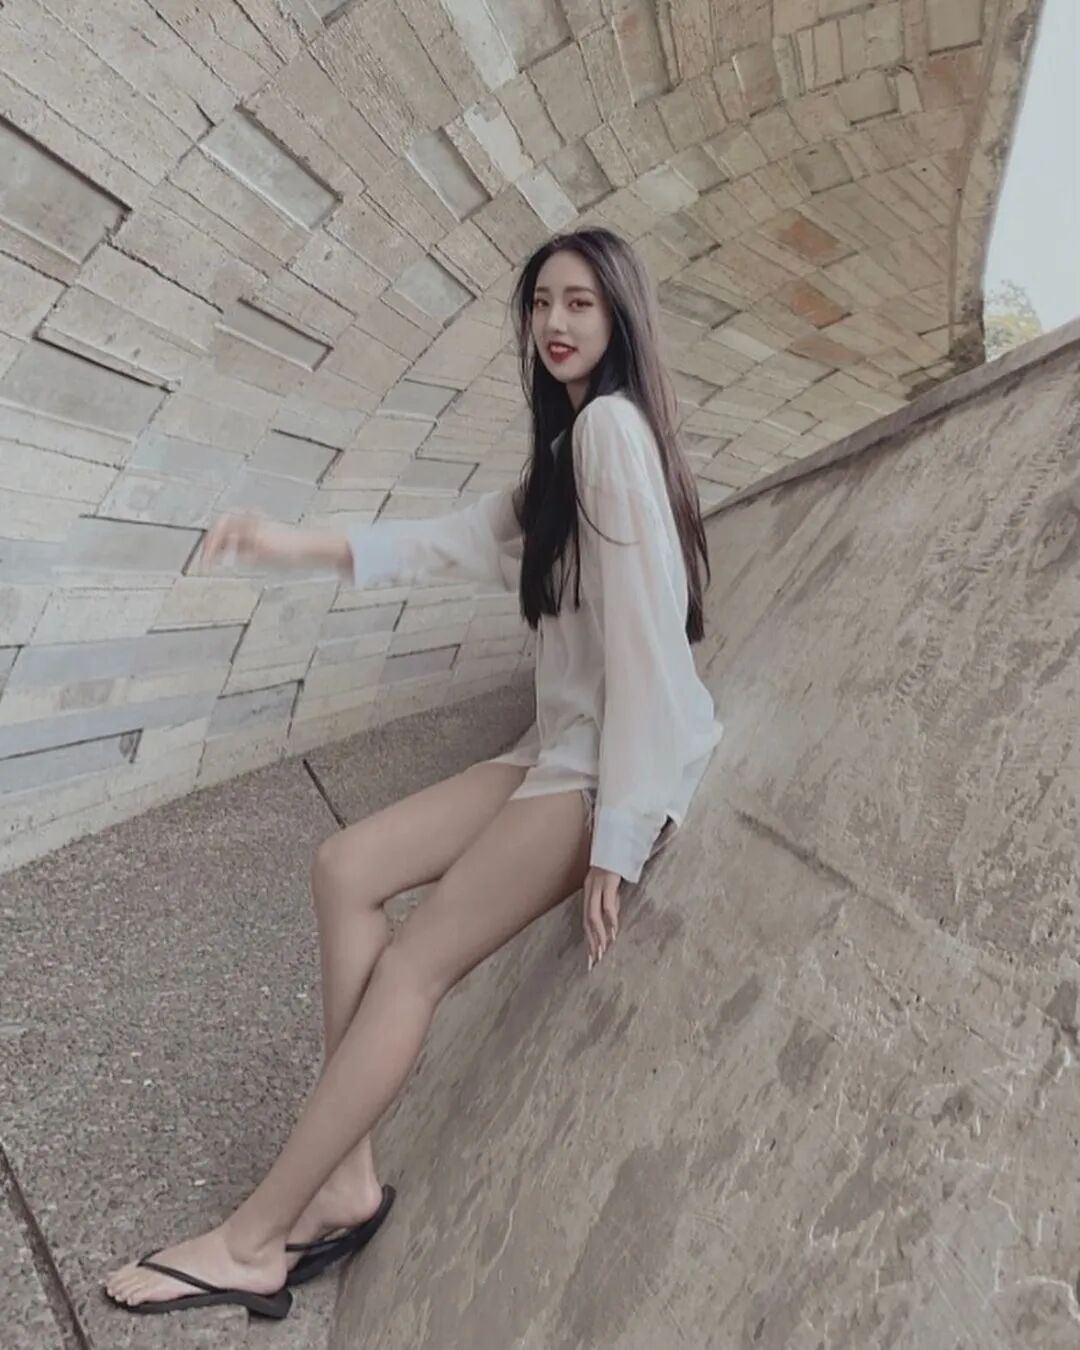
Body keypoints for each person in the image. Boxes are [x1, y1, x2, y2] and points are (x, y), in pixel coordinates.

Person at [104, 227, 723, 1319]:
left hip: (604, 772)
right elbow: (448, 542)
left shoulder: (610, 433)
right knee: (347, 866)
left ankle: (252, 1241)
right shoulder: (568, 448)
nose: (555, 323)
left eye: (580, 303)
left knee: (410, 969)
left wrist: (619, 840)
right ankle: (343, 1179)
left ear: (621, 316)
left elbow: (646, 639)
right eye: (541, 303)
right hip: (558, 750)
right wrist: (287, 544)